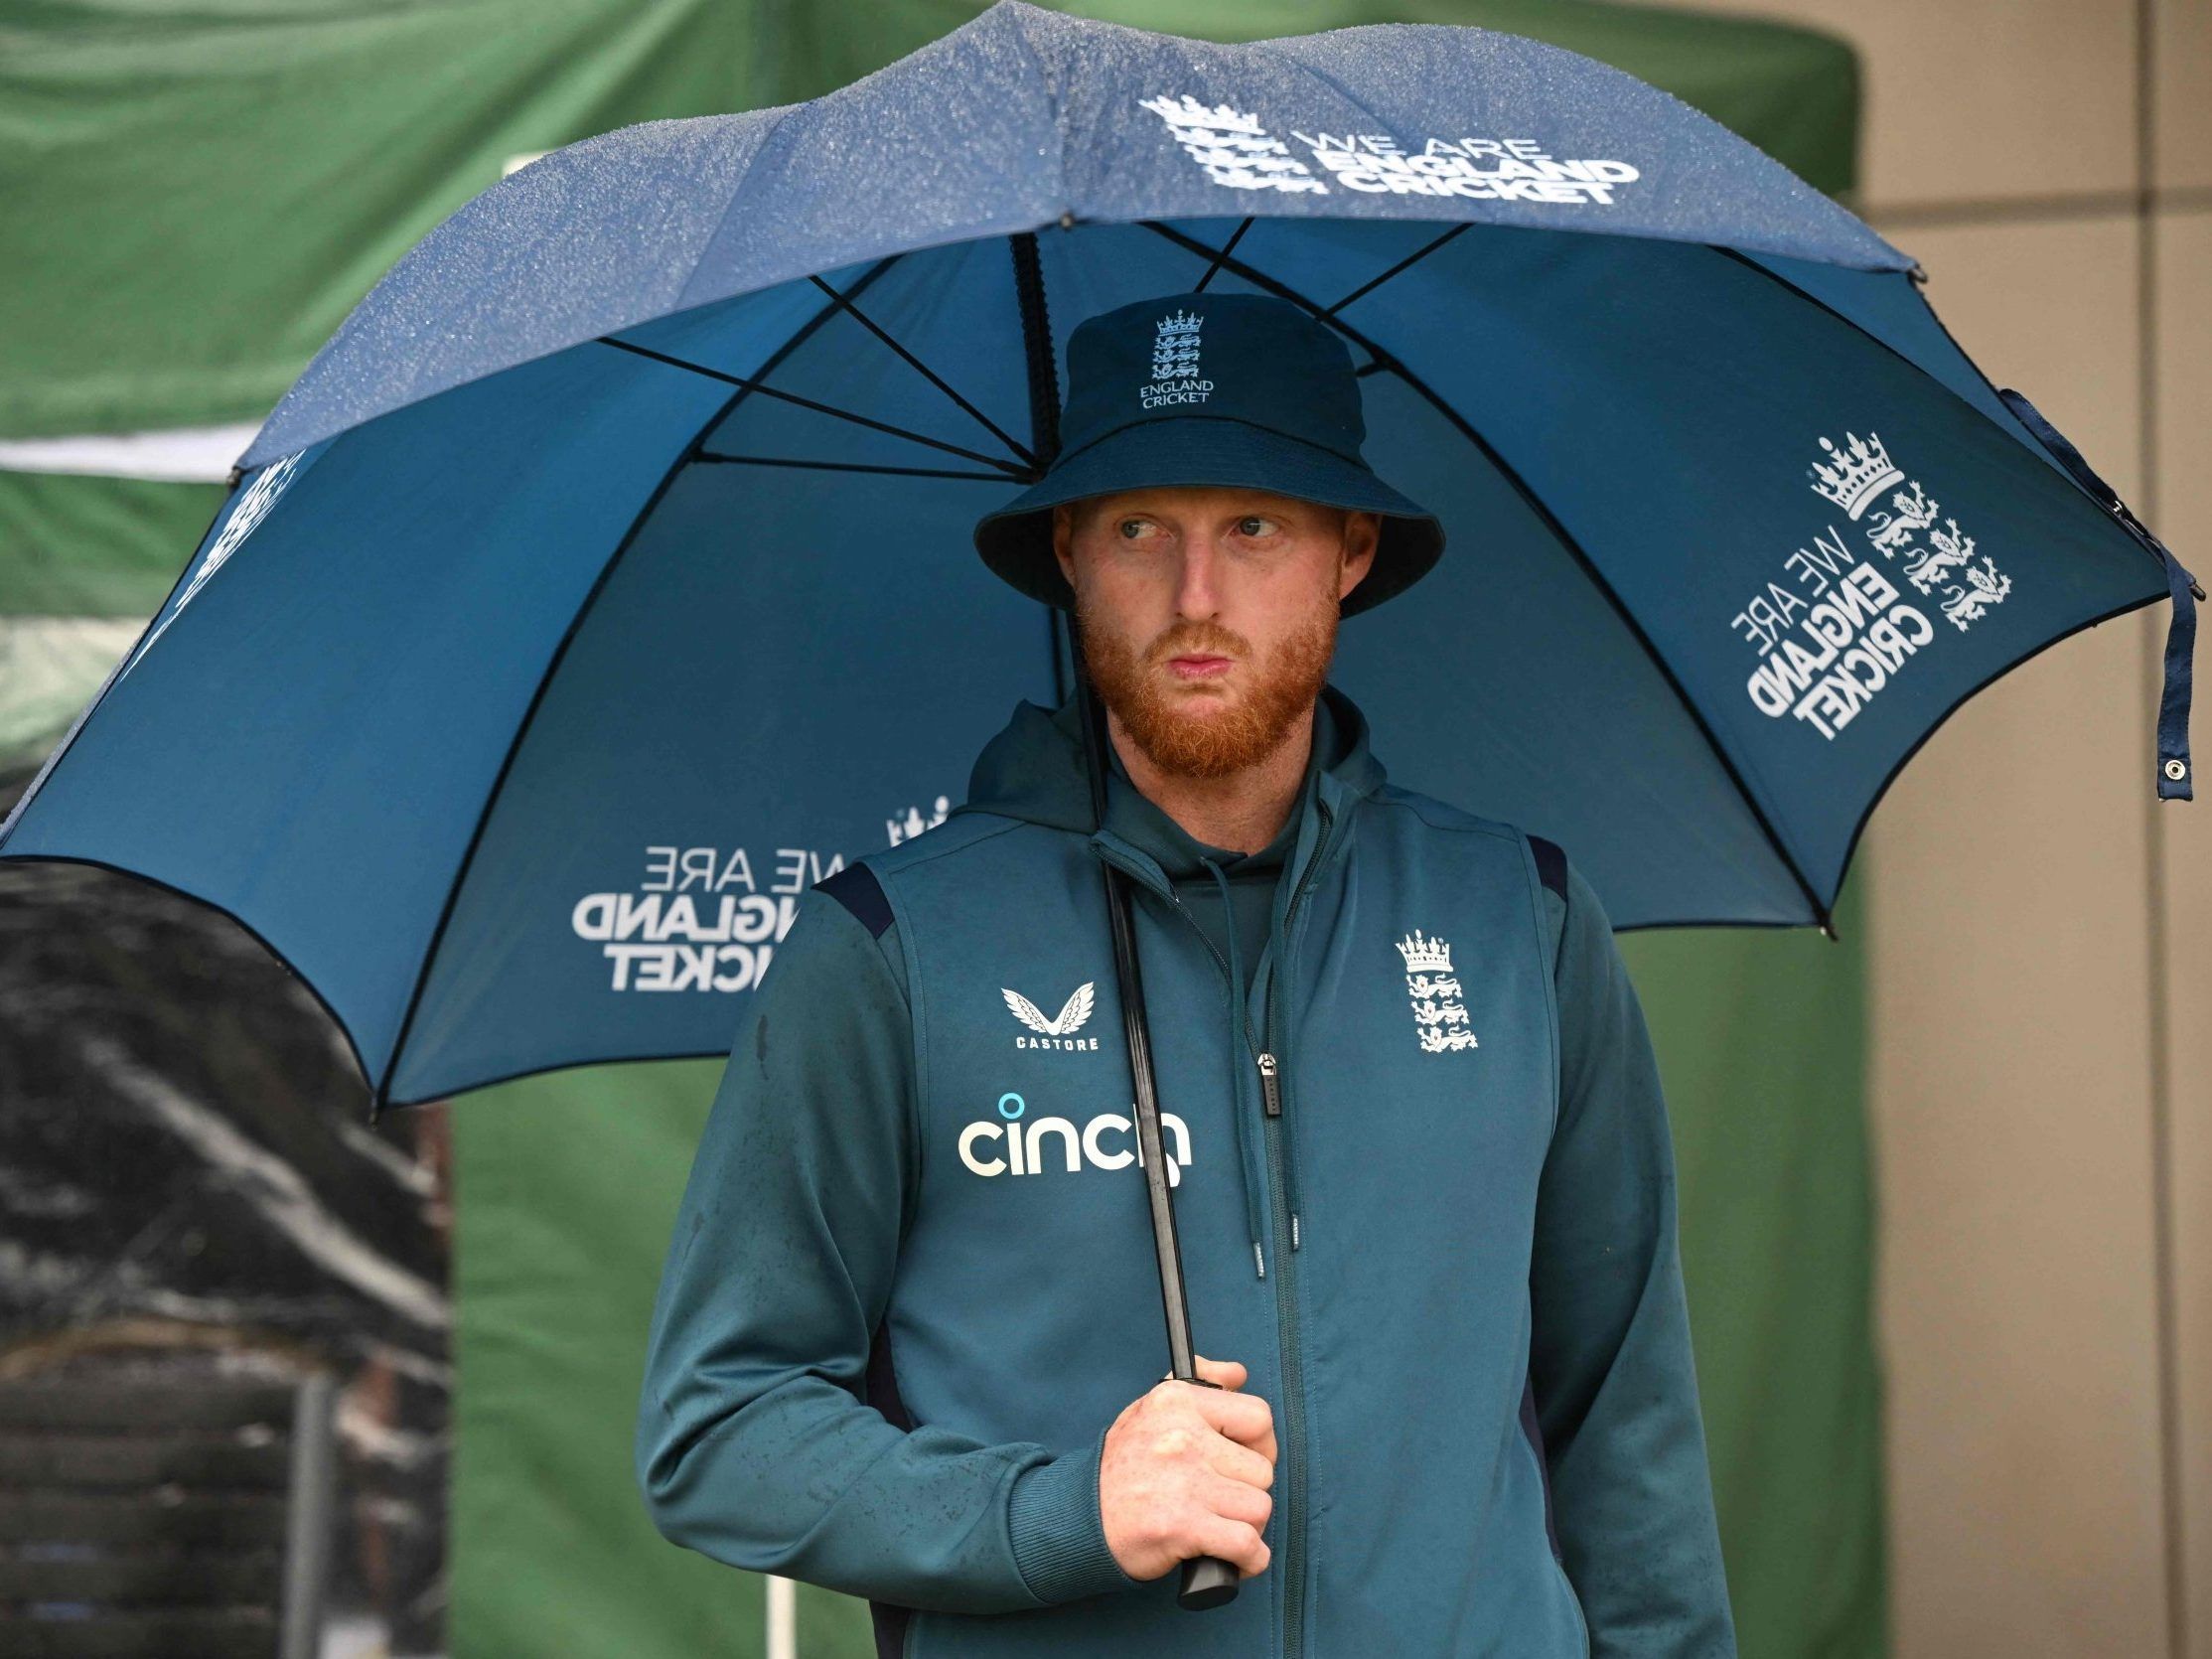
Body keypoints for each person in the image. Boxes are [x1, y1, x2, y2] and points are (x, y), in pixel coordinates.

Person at [635, 291, 1737, 1656]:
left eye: (1254, 526)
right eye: (1139, 528)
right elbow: (720, 1426)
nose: (1195, 596)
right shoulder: (888, 950)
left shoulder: (1524, 922)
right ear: (1068, 553)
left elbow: (1624, 1427)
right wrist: (1060, 1509)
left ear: (1351, 550)